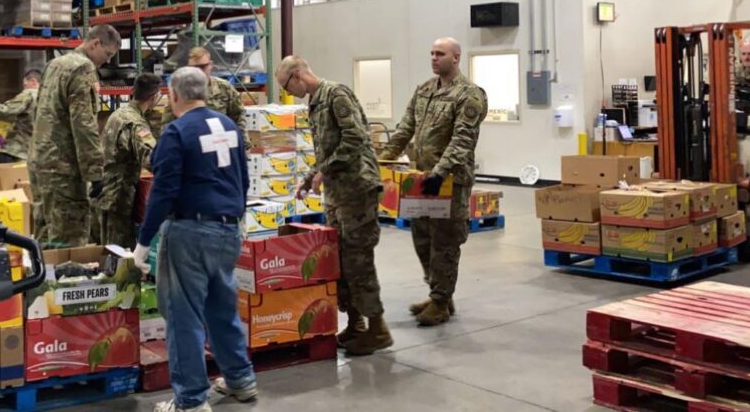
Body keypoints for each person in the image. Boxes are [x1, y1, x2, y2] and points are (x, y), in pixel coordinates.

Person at [132, 67, 257, 412]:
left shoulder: (177, 132)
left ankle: (190, 400)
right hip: (228, 228)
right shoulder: (229, 127)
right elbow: (242, 179)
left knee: (182, 316)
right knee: (221, 307)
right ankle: (240, 380)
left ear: (174, 94)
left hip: (189, 232)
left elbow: (163, 191)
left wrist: (144, 242)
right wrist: (237, 216)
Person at [278, 56, 392, 356]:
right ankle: (356, 324)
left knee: (358, 260)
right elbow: (326, 149)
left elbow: (354, 137)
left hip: (357, 189)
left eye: (287, 85)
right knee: (339, 259)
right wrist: (309, 177)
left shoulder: (336, 95)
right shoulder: (315, 103)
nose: (289, 91)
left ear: (298, 74)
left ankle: (378, 328)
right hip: (338, 193)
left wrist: (324, 171)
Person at [379, 37, 487, 327]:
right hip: (421, 180)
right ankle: (439, 293)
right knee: (422, 236)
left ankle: (440, 301)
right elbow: (405, 128)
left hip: (450, 181)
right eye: (431, 53)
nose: (434, 58)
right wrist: (384, 161)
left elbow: (462, 140)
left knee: (446, 241)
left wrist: (439, 173)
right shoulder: (425, 90)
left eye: (440, 54)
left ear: (456, 58)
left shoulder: (470, 95)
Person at [29, 24, 121, 247]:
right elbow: (84, 124)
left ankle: (43, 281)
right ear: (95, 43)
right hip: (64, 169)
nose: (107, 61)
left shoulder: (54, 64)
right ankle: (63, 281)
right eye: (107, 54)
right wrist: (96, 173)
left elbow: (38, 108)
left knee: (43, 235)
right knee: (69, 240)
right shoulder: (83, 68)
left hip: (40, 161)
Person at [96, 73, 162, 247]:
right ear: (154, 97)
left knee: (107, 248)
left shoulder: (118, 114)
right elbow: (153, 159)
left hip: (104, 190)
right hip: (119, 197)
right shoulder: (136, 124)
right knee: (120, 253)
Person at [161, 46, 245, 129]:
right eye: (194, 68)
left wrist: (242, 141)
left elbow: (239, 118)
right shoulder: (180, 90)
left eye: (202, 67)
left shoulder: (225, 88)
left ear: (211, 65)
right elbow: (168, 123)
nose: (198, 71)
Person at [0, 69, 42, 163]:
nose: (24, 88)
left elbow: (8, 109)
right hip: (39, 150)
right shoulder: (48, 97)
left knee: (18, 176)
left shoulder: (29, 94)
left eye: (25, 85)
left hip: (21, 148)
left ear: (33, 81)